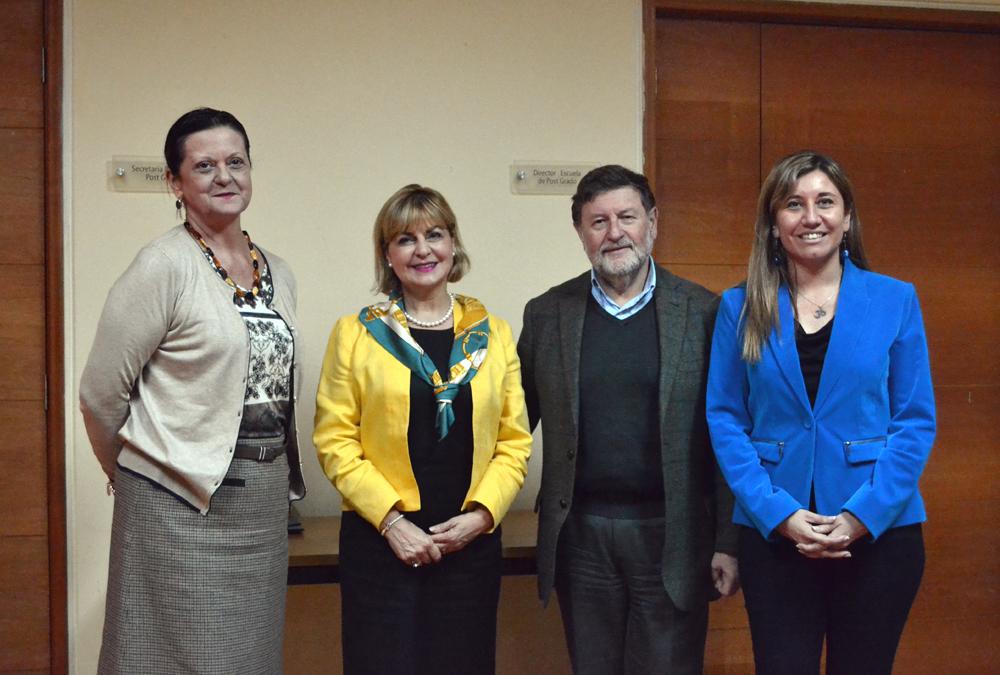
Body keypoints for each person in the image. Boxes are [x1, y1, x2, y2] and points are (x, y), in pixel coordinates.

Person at [79, 108, 305, 673]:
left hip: (261, 501)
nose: (224, 176)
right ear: (175, 183)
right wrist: (138, 475)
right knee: (163, 658)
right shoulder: (163, 266)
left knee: (249, 659)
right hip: (175, 505)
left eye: (236, 162)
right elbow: (100, 394)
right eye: (204, 166)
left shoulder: (278, 269)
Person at [706, 151, 935, 674]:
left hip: (878, 536)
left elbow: (914, 421)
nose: (811, 217)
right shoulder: (739, 307)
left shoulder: (895, 300)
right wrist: (778, 514)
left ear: (847, 217)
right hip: (776, 536)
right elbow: (725, 419)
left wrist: (862, 516)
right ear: (773, 224)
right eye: (794, 204)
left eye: (825, 202)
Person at [517, 164, 739, 674]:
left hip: (673, 534)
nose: (614, 233)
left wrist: (729, 541)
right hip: (583, 536)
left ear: (653, 223)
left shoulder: (704, 313)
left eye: (627, 217)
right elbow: (509, 426)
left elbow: (728, 436)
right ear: (580, 232)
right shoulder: (547, 314)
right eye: (598, 221)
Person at [313, 184, 532, 675]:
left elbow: (513, 440)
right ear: (387, 255)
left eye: (434, 234)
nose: (422, 249)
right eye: (405, 239)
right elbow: (335, 439)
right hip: (382, 544)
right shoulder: (356, 333)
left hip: (469, 544)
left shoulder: (491, 334)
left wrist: (482, 516)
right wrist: (393, 524)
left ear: (453, 245)